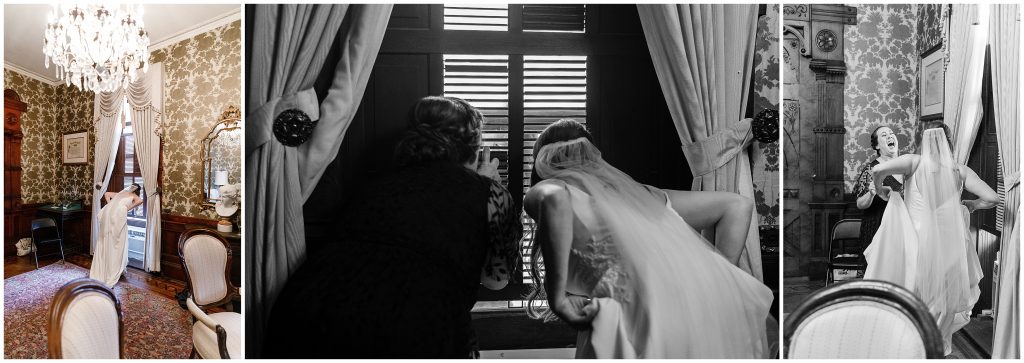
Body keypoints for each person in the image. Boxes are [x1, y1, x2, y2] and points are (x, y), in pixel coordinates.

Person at [264, 96, 521, 358]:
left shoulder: (377, 184)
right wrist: (486, 185)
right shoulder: (490, 193)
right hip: (410, 318)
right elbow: (496, 281)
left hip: (310, 304)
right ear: (474, 145)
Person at [522, 119, 772, 358]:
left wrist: (557, 300)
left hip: (630, 323)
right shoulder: (643, 196)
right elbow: (737, 206)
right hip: (688, 315)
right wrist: (720, 282)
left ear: (542, 163)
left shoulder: (549, 189)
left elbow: (554, 201)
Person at [866, 122, 999, 356]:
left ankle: (912, 345)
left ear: (924, 141)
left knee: (914, 290)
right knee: (943, 297)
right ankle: (938, 347)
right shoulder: (960, 170)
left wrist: (880, 190)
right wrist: (973, 205)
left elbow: (877, 171)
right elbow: (992, 198)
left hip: (915, 241)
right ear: (948, 142)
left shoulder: (913, 162)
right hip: (950, 245)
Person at [853, 126, 904, 245]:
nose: (890, 136)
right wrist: (871, 194)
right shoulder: (872, 169)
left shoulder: (907, 165)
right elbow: (860, 204)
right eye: (884, 135)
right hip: (877, 228)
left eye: (891, 133)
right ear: (877, 146)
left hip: (901, 227)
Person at [89, 183, 144, 288]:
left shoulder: (120, 194)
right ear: (137, 190)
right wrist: (127, 207)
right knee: (118, 244)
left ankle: (108, 268)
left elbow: (107, 194)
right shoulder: (133, 195)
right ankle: (114, 269)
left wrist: (111, 205)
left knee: (108, 240)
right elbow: (140, 201)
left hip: (112, 216)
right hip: (118, 217)